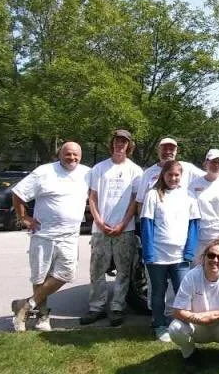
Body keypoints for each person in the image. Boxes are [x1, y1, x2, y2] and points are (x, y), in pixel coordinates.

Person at [9, 142, 91, 332]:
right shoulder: (44, 172)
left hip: (70, 236)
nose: (72, 158)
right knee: (40, 277)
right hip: (43, 235)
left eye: (76, 155)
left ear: (81, 156)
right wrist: (23, 218)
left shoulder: (87, 173)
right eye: (68, 154)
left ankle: (25, 305)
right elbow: (18, 193)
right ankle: (42, 316)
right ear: (60, 154)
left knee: (67, 273)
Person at [80, 130, 144, 327]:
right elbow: (92, 197)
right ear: (112, 143)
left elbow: (135, 200)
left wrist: (123, 223)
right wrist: (99, 221)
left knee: (124, 271)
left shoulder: (136, 171)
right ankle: (96, 307)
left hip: (125, 230)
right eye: (117, 141)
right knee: (96, 270)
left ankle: (117, 308)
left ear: (129, 145)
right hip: (100, 230)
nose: (120, 145)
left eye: (124, 142)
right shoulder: (99, 169)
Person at [139, 160, 201, 342]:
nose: (173, 178)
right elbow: (146, 224)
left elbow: (194, 225)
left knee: (183, 291)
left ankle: (180, 322)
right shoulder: (153, 195)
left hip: (180, 256)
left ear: (181, 177)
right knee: (158, 292)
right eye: (169, 175)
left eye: (176, 175)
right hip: (157, 255)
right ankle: (159, 324)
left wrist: (189, 251)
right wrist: (148, 253)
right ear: (163, 176)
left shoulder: (188, 196)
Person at [169, 240, 219, 366]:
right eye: (211, 255)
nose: (215, 260)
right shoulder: (191, 276)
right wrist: (198, 319)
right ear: (204, 257)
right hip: (198, 325)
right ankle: (190, 354)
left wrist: (215, 315)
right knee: (175, 328)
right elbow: (177, 311)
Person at [189, 148, 219, 255]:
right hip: (199, 236)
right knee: (198, 268)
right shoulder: (194, 184)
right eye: (213, 162)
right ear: (206, 163)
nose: (216, 165)